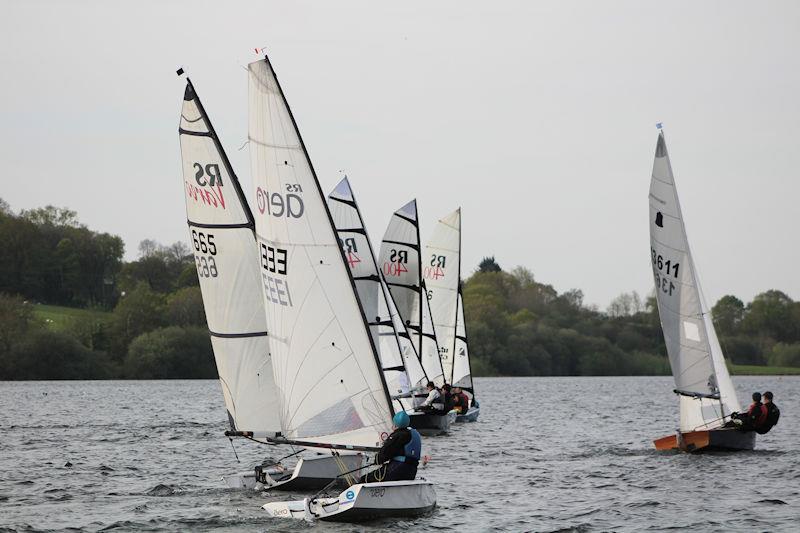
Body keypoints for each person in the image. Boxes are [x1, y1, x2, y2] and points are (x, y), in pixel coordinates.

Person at [360, 411, 421, 483]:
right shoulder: (414, 434)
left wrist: (377, 460)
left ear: (395, 424)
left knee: (365, 479)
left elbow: (384, 453)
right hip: (411, 471)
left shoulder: (397, 435)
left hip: (397, 469)